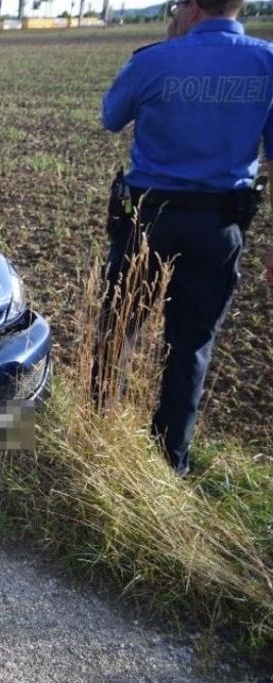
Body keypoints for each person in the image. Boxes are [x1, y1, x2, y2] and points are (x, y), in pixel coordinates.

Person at [98, 0, 273, 476]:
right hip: (219, 226)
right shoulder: (267, 62)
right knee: (191, 344)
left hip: (149, 220)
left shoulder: (154, 60)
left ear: (191, 8)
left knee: (118, 331)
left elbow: (111, 117)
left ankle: (96, 438)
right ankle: (170, 460)